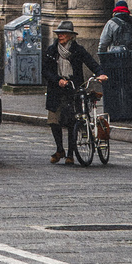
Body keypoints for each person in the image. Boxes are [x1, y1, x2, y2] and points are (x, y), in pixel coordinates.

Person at [41, 22, 98, 162]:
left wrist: (101, 73)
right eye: (58, 33)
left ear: (71, 36)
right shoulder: (52, 50)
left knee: (72, 122)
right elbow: (45, 71)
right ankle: (60, 149)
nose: (60, 36)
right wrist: (57, 80)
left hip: (73, 89)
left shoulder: (78, 50)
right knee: (54, 120)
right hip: (56, 89)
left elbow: (91, 62)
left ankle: (71, 154)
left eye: (63, 33)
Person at [97, 1, 132, 124]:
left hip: (114, 59)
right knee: (131, 86)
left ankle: (115, 111)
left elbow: (103, 42)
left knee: (115, 85)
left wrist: (102, 56)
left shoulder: (111, 23)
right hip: (131, 60)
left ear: (115, 11)